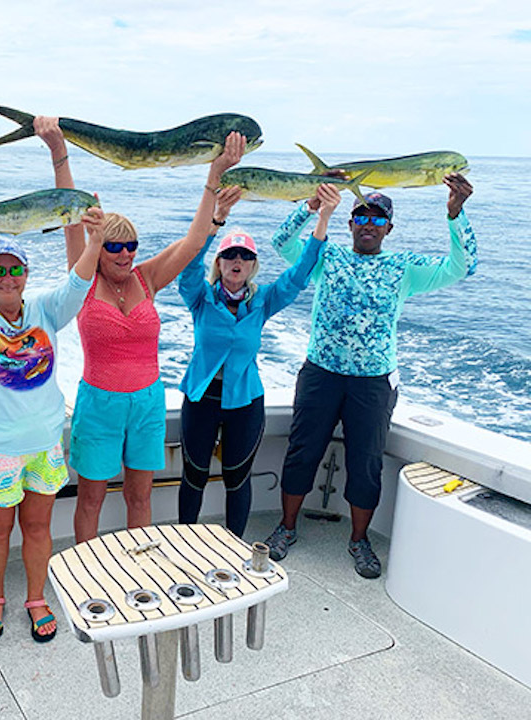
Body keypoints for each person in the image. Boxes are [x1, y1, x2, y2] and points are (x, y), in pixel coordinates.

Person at [31, 117, 247, 543]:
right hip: (100, 403)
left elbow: (193, 241)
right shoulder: (86, 280)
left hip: (148, 401)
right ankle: (88, 575)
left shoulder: (147, 277)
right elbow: (72, 219)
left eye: (131, 245)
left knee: (140, 497)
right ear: (100, 248)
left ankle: (137, 570)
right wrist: (58, 150)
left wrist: (215, 172)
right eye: (114, 246)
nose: (125, 253)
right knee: (91, 497)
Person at [264, 174, 477, 578]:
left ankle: (359, 540)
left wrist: (455, 213)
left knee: (366, 463)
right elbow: (281, 243)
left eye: (378, 220)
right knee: (301, 452)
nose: (368, 225)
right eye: (361, 217)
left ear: (389, 229)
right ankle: (286, 527)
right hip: (320, 375)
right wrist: (312, 205)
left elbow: (461, 266)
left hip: (372, 383)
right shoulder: (325, 257)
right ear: (349, 224)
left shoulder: (404, 268)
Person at [0, 204, 105, 643]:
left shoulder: (45, 310)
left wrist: (94, 241)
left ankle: (36, 597)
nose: (6, 277)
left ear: (26, 275)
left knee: (38, 528)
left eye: (14, 269)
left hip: (44, 446)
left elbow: (79, 282)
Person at [177, 186, 340, 535]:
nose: (237, 261)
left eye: (244, 257)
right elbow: (188, 266)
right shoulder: (201, 298)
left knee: (237, 478)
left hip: (245, 400)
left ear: (252, 265)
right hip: (201, 398)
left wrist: (322, 217)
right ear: (219, 262)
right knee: (194, 475)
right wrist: (216, 220)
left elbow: (299, 274)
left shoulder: (263, 301)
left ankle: (235, 546)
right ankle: (183, 541)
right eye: (230, 255)